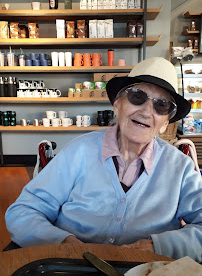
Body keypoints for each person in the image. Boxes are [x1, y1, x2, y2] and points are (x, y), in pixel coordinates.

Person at [5, 57, 202, 262]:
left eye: (161, 105)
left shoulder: (180, 168)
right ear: (117, 105)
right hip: (70, 269)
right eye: (137, 96)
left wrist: (159, 246)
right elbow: (23, 211)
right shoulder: (79, 151)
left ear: (164, 123)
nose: (145, 111)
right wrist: (63, 243)